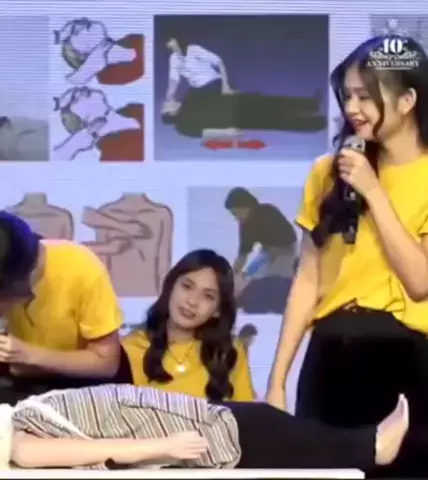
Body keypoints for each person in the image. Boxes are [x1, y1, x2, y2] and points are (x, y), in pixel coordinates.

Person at [266, 35, 428, 477]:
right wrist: (277, 381)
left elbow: (420, 281)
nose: (352, 108)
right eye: (348, 96)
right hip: (330, 355)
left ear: (408, 100)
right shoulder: (328, 171)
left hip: (407, 357)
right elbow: (308, 279)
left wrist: (373, 191)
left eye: (365, 96)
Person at [0, 372, 410, 470]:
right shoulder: (19, 444)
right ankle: (370, 448)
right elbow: (94, 451)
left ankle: (363, 443)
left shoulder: (14, 418)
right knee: (272, 434)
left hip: (180, 417)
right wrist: (161, 448)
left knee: (268, 423)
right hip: (178, 435)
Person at [0, 210, 128, 405]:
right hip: (18, 386)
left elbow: (107, 363)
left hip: (89, 386)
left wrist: (29, 355)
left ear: (28, 275)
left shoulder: (79, 267)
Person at [122, 249, 255, 402]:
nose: (192, 301)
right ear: (171, 286)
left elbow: (246, 414)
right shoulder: (130, 348)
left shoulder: (229, 353)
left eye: (208, 296)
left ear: (217, 310)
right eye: (187, 286)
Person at [161, 37, 325, 138]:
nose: (166, 102)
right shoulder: (183, 126)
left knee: (273, 103)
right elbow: (204, 133)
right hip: (234, 117)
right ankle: (313, 124)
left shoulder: (189, 95)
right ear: (170, 113)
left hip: (236, 102)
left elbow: (213, 89)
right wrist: (225, 133)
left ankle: (310, 104)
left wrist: (230, 89)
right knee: (273, 120)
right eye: (165, 106)